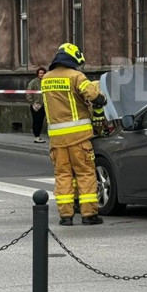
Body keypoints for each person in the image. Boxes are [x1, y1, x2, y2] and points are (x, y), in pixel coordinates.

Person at [41, 43, 107, 226]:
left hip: (57, 139)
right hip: (79, 137)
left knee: (63, 176)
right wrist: (102, 99)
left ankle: (66, 216)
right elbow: (93, 95)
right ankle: (89, 214)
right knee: (85, 174)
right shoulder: (76, 76)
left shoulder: (46, 78)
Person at [27, 67, 47, 143]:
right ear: (37, 74)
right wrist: (33, 103)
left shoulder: (46, 81)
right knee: (36, 121)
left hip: (45, 104)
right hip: (36, 105)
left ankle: (41, 136)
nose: (42, 74)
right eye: (40, 73)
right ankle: (36, 136)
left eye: (43, 73)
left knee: (42, 121)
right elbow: (28, 93)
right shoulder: (33, 82)